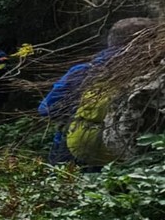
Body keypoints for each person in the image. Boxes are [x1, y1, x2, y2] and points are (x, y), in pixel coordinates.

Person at [39, 17, 154, 166]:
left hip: (73, 149)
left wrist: (78, 114)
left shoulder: (84, 71)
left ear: (111, 41)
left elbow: (45, 109)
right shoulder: (153, 73)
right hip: (131, 155)